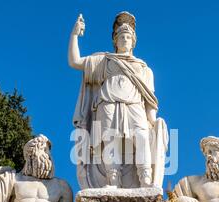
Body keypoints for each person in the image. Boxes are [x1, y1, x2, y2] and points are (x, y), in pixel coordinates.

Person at [69, 12, 168, 189]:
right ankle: (113, 180)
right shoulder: (104, 61)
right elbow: (75, 62)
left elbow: (150, 101)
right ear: (115, 40)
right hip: (107, 104)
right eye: (121, 36)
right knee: (110, 140)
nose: (125, 39)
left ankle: (145, 180)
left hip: (134, 105)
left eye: (128, 36)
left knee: (142, 137)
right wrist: (74, 35)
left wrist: (154, 121)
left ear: (133, 40)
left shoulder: (144, 68)